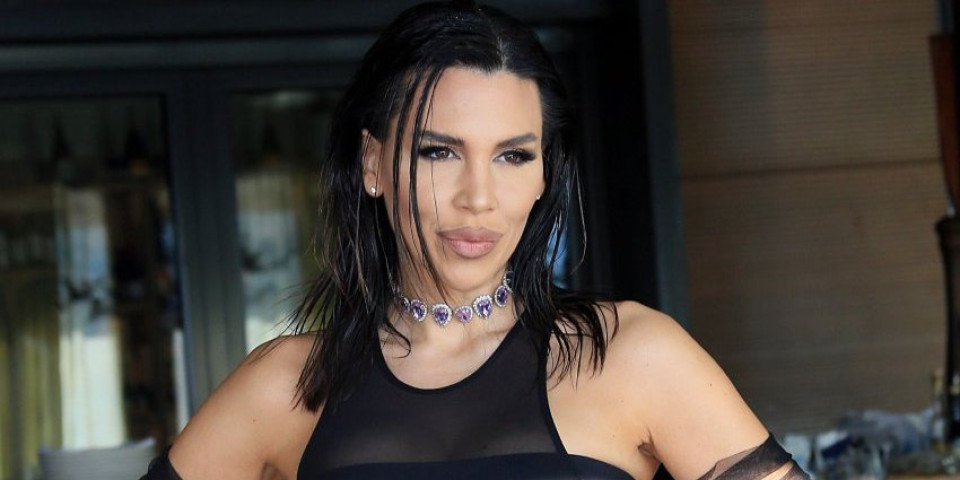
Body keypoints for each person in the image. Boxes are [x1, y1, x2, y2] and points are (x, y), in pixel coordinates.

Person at [142, 1, 808, 479]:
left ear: (544, 175)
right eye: (439, 152)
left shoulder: (633, 355)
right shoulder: (285, 386)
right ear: (373, 163)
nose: (479, 197)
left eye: (513, 156)